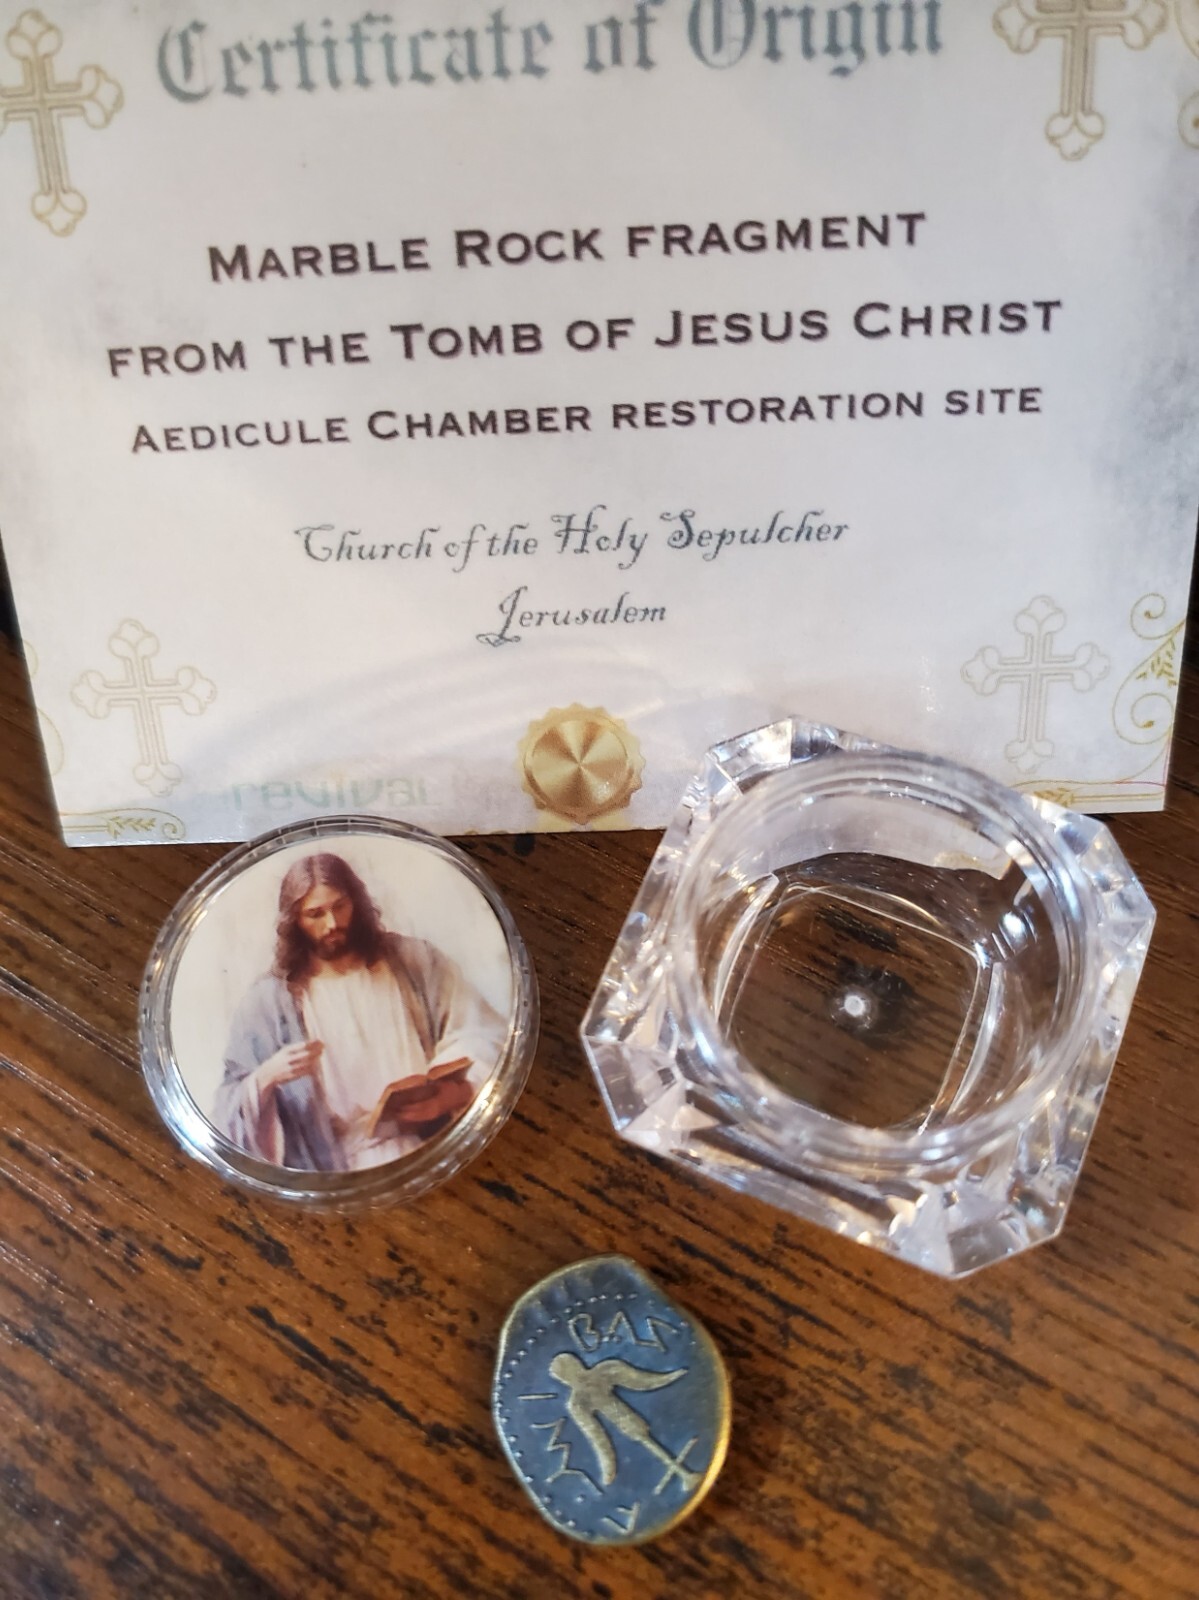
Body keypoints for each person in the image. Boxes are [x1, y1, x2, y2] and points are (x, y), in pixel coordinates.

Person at [215, 851, 506, 1171]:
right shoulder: (268, 1001)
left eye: (340, 906)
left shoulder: (413, 960)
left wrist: (452, 1094)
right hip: (339, 1170)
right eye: (315, 914)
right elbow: (227, 1112)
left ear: (356, 900)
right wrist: (267, 1076)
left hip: (434, 1148)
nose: (332, 924)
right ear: (294, 921)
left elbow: (482, 1029)